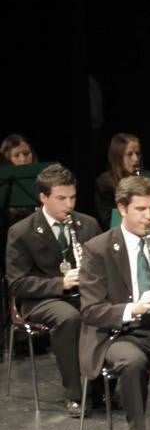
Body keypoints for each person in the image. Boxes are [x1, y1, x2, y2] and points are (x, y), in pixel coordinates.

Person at [78, 175, 150, 430]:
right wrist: (135, 307)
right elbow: (91, 310)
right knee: (133, 362)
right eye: (140, 210)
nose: (149, 217)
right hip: (119, 333)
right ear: (122, 208)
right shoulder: (98, 249)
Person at [5, 163, 102, 415]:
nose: (69, 204)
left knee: (106, 310)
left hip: (83, 294)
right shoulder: (21, 231)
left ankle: (102, 386)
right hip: (41, 299)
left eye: (72, 197)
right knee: (69, 318)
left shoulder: (87, 224)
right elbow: (17, 283)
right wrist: (61, 283)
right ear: (43, 197)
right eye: (61, 198)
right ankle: (75, 393)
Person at [93, 133, 143, 225]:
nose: (136, 159)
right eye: (129, 154)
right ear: (118, 156)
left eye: (137, 153)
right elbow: (108, 219)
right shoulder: (104, 183)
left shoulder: (144, 178)